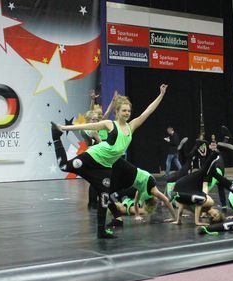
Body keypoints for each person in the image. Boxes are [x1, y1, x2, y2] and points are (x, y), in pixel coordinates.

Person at [51, 84, 168, 238]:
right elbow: (89, 125)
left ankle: (101, 232)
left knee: (104, 196)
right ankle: (55, 137)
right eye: (124, 110)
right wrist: (63, 128)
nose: (127, 113)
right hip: (93, 157)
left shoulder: (132, 126)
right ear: (117, 112)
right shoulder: (110, 124)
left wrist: (161, 95)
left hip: (105, 167)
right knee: (64, 166)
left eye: (128, 111)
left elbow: (148, 111)